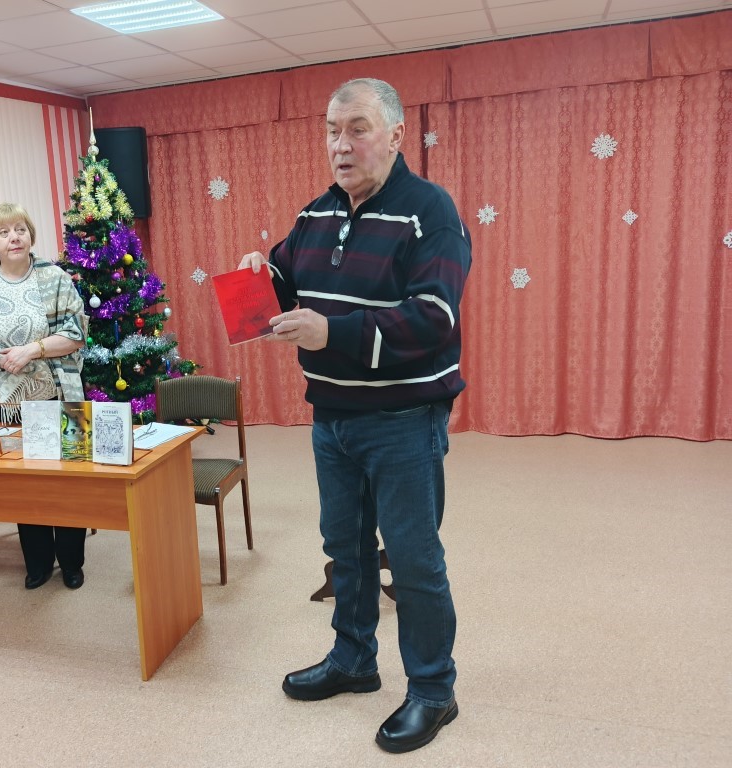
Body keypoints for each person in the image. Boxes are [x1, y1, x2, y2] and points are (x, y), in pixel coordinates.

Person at [238, 78, 471, 753]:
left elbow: (434, 318)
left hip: (404, 419)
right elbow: (286, 280)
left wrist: (331, 332)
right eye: (332, 130)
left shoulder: (430, 212)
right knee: (345, 549)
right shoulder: (314, 214)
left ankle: (434, 690)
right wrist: (261, 276)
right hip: (331, 417)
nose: (340, 145)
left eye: (357, 129)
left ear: (395, 135)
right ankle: (354, 660)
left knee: (414, 560)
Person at [0, 202, 89, 591]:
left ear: (30, 235)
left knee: (70, 479)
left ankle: (72, 562)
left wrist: (33, 350)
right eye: (4, 232)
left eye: (20, 229)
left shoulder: (54, 278)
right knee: (25, 480)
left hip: (62, 393)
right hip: (10, 401)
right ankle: (38, 562)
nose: (14, 237)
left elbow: (77, 333)